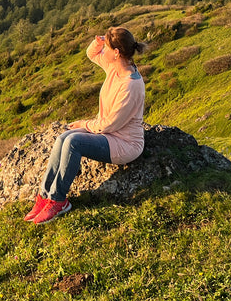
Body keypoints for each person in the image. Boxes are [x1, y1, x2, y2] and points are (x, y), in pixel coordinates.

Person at [25, 26, 147, 224]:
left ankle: (58, 201)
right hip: (110, 134)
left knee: (73, 142)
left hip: (125, 144)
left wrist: (84, 123)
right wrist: (100, 41)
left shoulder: (130, 85)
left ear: (116, 53)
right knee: (63, 137)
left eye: (107, 47)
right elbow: (91, 53)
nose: (103, 51)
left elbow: (109, 124)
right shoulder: (115, 67)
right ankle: (45, 196)